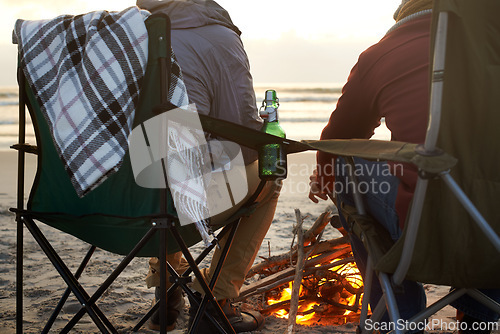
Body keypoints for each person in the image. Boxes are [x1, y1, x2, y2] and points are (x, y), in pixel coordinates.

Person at [308, 0, 500, 333]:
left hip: (426, 236)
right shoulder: (491, 42)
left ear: (404, 12)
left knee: (344, 164)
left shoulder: (385, 52)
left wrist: (324, 173)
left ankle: (398, 313)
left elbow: (338, 139)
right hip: (493, 236)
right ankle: (483, 306)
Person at [136, 0, 280, 332]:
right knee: (270, 176)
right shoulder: (218, 37)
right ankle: (218, 300)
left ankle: (166, 287)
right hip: (184, 209)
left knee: (159, 165)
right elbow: (244, 144)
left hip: (115, 208)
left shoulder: (124, 38)